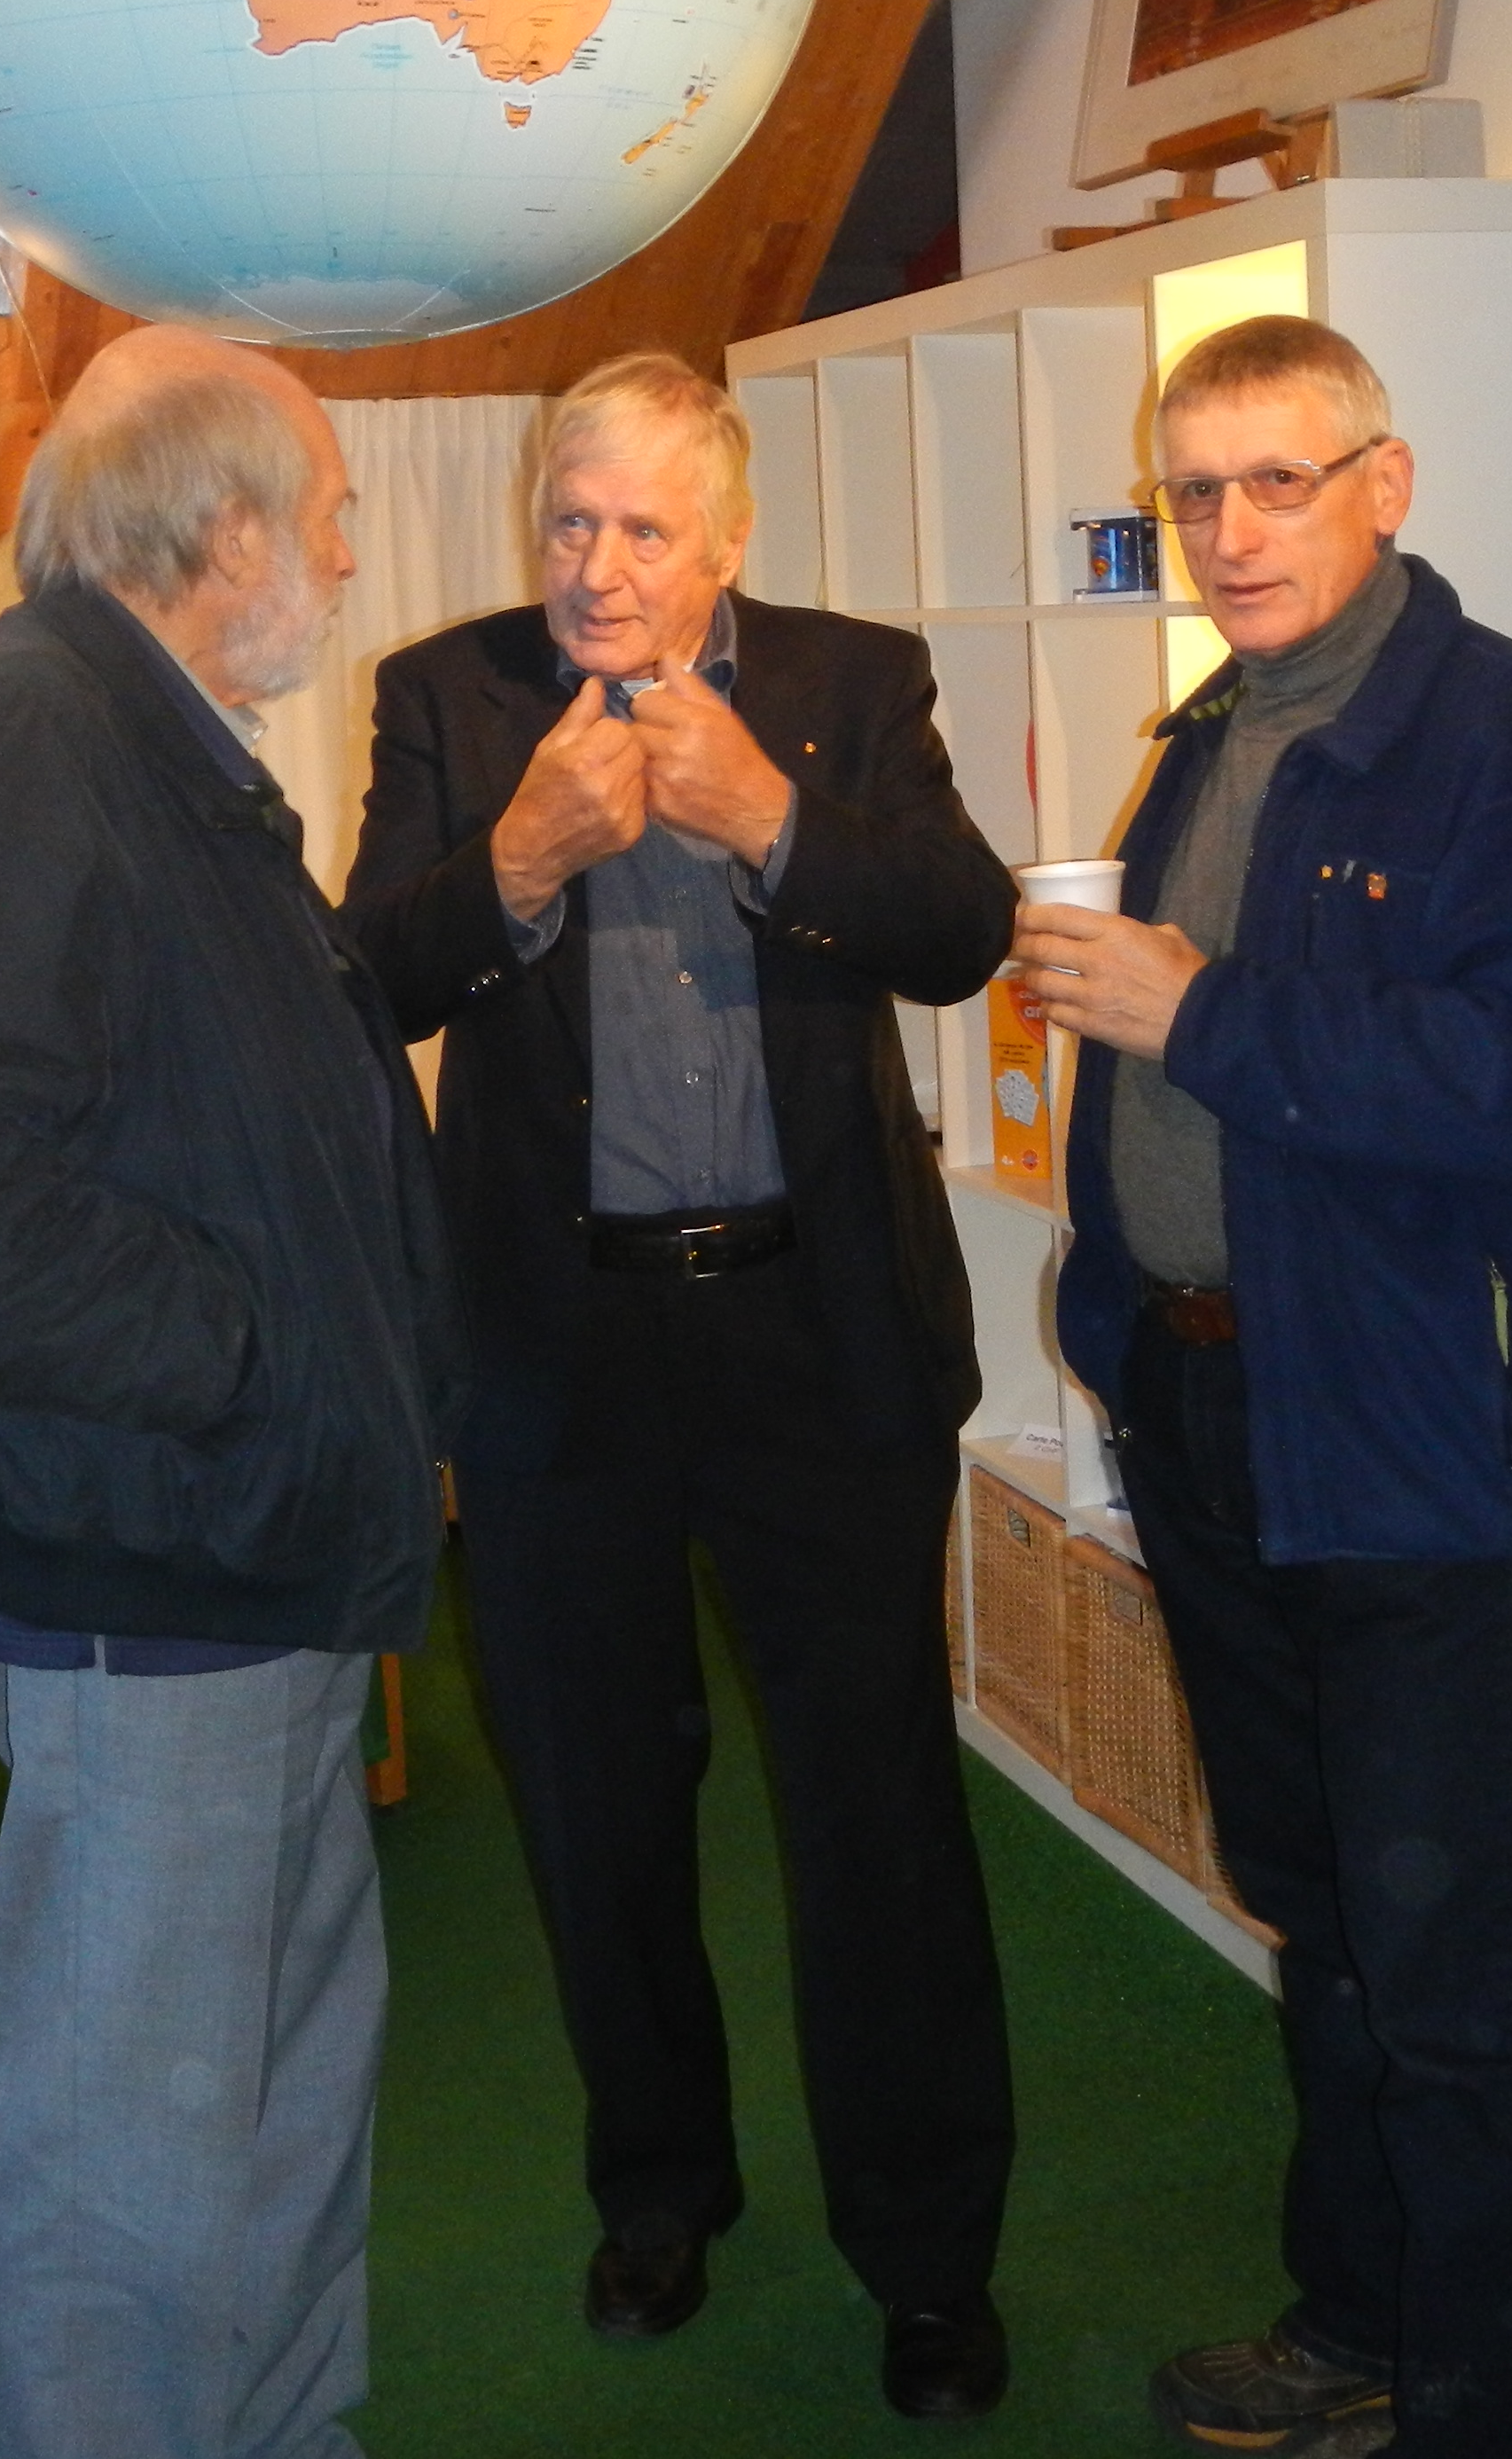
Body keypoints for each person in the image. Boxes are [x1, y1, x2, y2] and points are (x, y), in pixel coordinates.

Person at [0, 326, 458, 2459]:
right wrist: (249, 1361)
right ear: (226, 529)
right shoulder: (26, 739)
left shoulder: (157, 749)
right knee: (135, 2183)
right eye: (328, 514)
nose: (344, 558)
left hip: (258, 1563)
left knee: (274, 2116)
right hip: (160, 1574)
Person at [341, 351, 1022, 2421]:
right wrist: (518, 862)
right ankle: (657, 2192)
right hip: (563, 1357)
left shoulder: (853, 682)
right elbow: (364, 978)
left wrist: (776, 824)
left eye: (644, 528)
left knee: (876, 1812)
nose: (598, 565)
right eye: (571, 520)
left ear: (727, 541)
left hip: (820, 1339)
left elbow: (962, 930)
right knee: (596, 1807)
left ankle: (928, 2256)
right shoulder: (450, 698)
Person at [1015, 314, 1512, 2459]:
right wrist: (1119, 1302)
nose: (1231, 529)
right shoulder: (1215, 727)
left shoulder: (1511, 739)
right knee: (1324, 1913)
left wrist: (1197, 1013)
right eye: (1197, 490)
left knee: (1458, 1970)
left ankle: (1490, 2413)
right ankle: (1362, 2316)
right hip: (1212, 1410)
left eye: (1278, 480)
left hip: (1403, 1428)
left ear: (1388, 483)